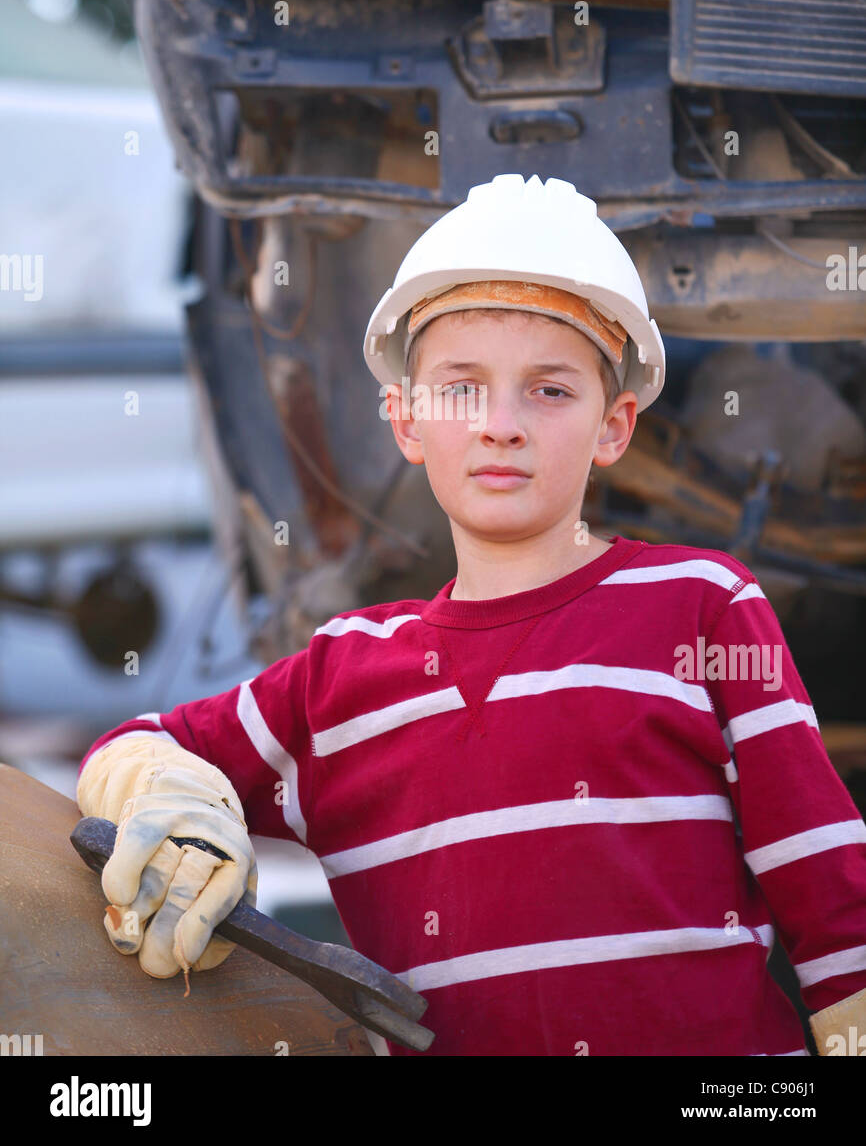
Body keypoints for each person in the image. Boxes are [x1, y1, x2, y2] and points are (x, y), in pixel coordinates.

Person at [77, 173, 866, 1056]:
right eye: (460, 388)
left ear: (615, 424)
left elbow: (828, 884)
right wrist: (181, 806)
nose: (501, 424)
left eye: (550, 391)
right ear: (406, 420)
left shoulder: (703, 608)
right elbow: (138, 745)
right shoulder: (337, 681)